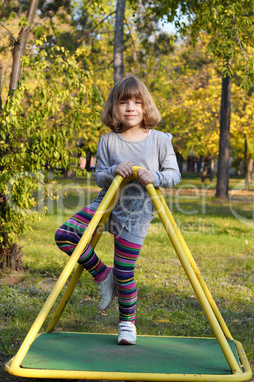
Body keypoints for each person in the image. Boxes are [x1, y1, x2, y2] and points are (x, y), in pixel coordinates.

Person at [55, 76, 181, 345]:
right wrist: (113, 170)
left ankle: (127, 324)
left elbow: (174, 175)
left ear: (146, 107)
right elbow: (100, 176)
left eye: (137, 102)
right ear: (114, 108)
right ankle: (102, 274)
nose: (130, 108)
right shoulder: (108, 141)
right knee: (66, 235)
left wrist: (154, 176)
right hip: (107, 202)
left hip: (138, 209)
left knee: (125, 271)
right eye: (123, 102)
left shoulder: (159, 140)